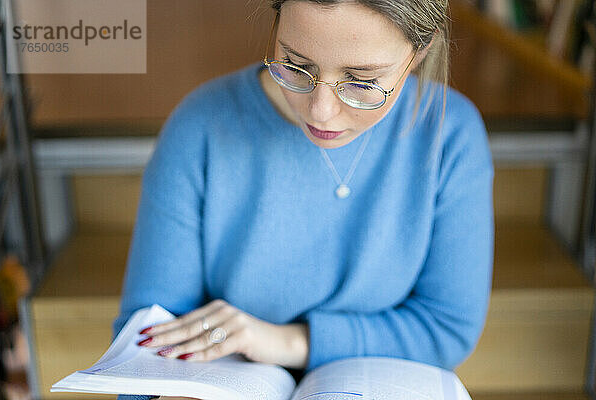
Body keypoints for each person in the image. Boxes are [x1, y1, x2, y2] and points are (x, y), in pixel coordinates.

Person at [114, 0, 494, 399]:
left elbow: (445, 328)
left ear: (421, 51)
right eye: (296, 66)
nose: (322, 112)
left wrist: (285, 341)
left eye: (362, 82)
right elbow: (148, 333)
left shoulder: (450, 135)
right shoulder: (201, 127)